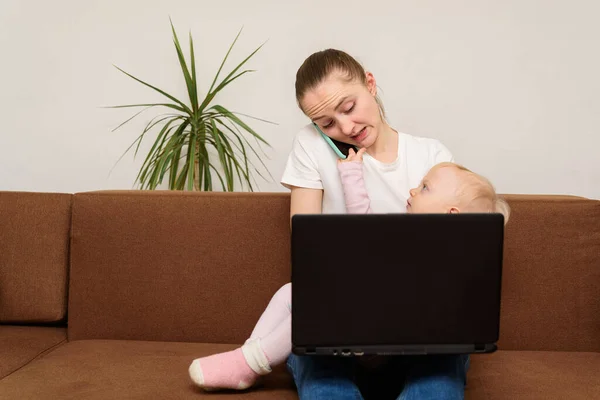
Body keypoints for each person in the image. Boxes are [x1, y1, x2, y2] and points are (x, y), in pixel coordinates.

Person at [189, 48, 505, 399]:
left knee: (436, 386)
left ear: (370, 84)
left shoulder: (432, 158)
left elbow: (456, 255)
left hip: (421, 337)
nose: (346, 128)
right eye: (326, 123)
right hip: (336, 333)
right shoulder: (311, 146)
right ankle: (251, 359)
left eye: (349, 108)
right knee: (323, 374)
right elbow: (310, 248)